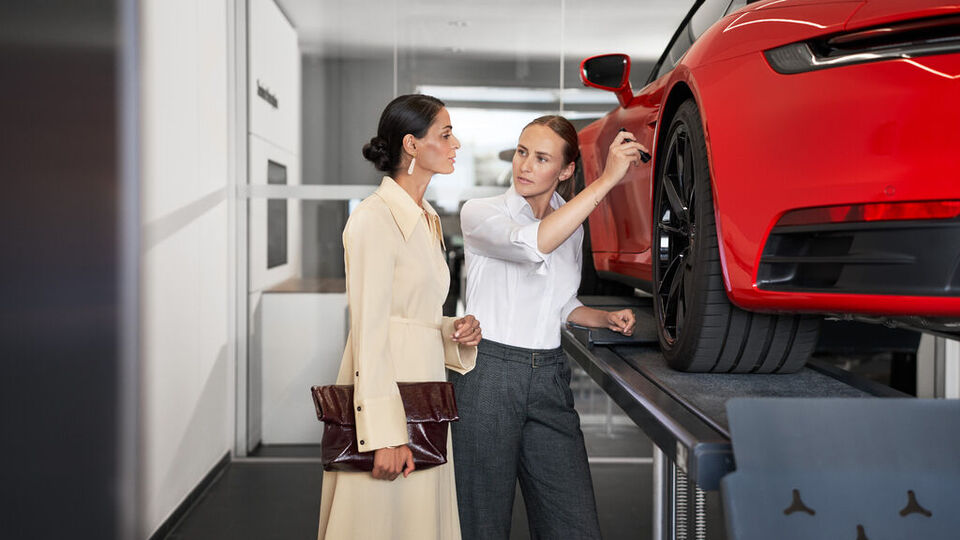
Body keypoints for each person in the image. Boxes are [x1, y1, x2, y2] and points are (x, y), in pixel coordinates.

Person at [452, 115, 645, 539]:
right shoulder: (481, 213)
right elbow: (533, 243)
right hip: (488, 376)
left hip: (549, 378)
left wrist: (601, 317)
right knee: (480, 526)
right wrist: (608, 179)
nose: (524, 165)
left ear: (565, 170)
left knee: (573, 525)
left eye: (541, 158)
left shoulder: (570, 226)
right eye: (522, 152)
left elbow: (561, 304)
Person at [317, 94, 482, 540]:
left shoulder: (425, 220)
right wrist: (384, 433)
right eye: (445, 134)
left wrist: (454, 331)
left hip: (424, 400)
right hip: (390, 413)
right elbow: (369, 331)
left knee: (416, 523)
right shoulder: (373, 220)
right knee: (379, 524)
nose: (456, 144)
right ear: (411, 144)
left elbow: (412, 317)